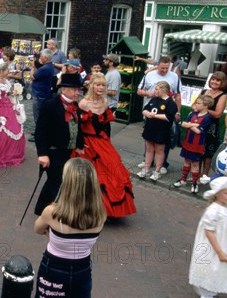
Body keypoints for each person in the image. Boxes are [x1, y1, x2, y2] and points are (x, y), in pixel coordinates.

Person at [34, 158, 107, 298]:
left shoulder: (52, 212)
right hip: (82, 269)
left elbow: (37, 228)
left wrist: (52, 232)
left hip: (54, 267)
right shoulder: (100, 214)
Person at [74, 73, 136, 218]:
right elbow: (78, 127)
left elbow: (106, 126)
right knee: (91, 175)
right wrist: (80, 143)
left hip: (102, 141)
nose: (101, 88)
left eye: (103, 85)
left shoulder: (105, 102)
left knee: (113, 167)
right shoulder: (83, 103)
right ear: (91, 86)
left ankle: (108, 209)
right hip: (88, 143)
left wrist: (107, 141)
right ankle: (88, 208)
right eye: (98, 85)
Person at [34, 73, 83, 216]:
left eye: (78, 89)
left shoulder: (75, 105)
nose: (77, 93)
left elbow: (77, 127)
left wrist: (79, 145)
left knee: (59, 181)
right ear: (63, 89)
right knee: (56, 181)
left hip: (69, 151)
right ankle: (54, 212)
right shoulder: (50, 105)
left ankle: (44, 208)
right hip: (53, 151)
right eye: (74, 89)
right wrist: (42, 154)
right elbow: (40, 131)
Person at [137, 56, 182, 174]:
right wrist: (149, 93)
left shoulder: (174, 77)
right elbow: (139, 91)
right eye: (162, 68)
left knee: (163, 141)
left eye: (167, 68)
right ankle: (147, 162)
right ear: (158, 65)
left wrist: (178, 111)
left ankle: (162, 164)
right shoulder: (149, 75)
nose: (164, 70)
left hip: (165, 111)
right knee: (148, 138)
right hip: (151, 108)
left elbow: (177, 95)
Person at [173, 96, 213, 193]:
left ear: (206, 106)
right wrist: (193, 125)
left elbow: (198, 131)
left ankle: (194, 183)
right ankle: (183, 179)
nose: (196, 105)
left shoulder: (207, 117)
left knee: (195, 163)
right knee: (186, 161)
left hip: (197, 144)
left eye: (198, 103)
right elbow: (183, 124)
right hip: (188, 142)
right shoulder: (193, 114)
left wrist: (190, 125)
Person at [139, 81, 178, 181]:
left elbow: (169, 116)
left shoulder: (170, 103)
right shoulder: (154, 99)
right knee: (149, 148)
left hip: (161, 130)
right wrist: (146, 112)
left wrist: (154, 116)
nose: (154, 91)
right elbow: (145, 108)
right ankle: (146, 169)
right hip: (150, 128)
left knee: (159, 150)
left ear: (164, 90)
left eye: (157, 89)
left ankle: (157, 171)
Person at [200, 72, 227, 178]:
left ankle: (204, 175)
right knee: (198, 150)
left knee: (208, 153)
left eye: (217, 80)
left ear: (222, 82)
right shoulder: (204, 91)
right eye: (213, 79)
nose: (214, 82)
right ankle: (195, 174)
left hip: (211, 127)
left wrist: (204, 109)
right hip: (199, 124)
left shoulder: (223, 96)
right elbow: (195, 104)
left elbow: (217, 114)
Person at [29, 49, 55, 142]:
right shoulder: (48, 66)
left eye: (41, 57)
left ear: (45, 58)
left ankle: (39, 135)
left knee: (38, 116)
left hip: (39, 94)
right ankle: (38, 131)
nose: (40, 58)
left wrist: (32, 67)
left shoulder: (45, 68)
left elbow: (33, 76)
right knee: (40, 115)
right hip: (43, 93)